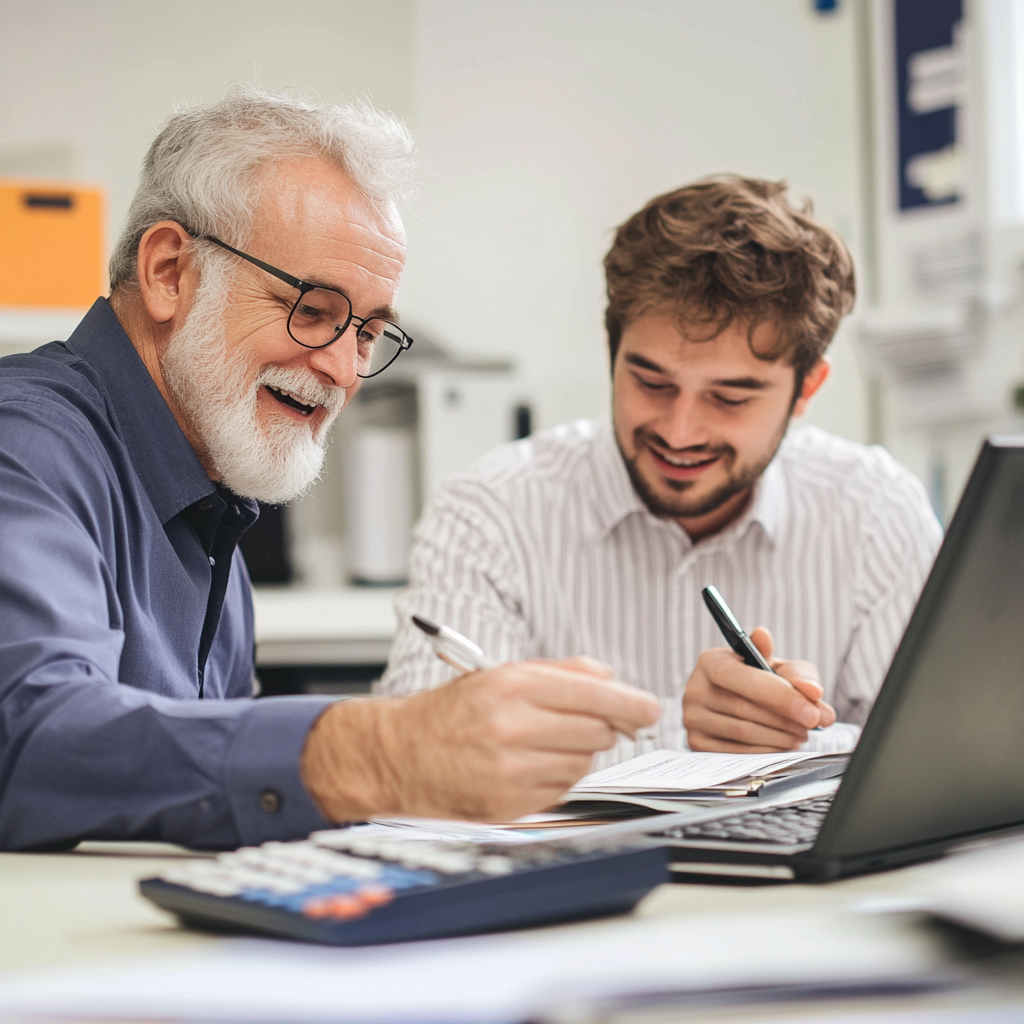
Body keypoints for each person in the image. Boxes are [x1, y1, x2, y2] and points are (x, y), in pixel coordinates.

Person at [0, 87, 660, 851]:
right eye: (312, 309)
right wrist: (377, 752)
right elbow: (29, 735)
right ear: (170, 273)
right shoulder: (28, 443)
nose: (344, 369)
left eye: (370, 332)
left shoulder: (211, 494)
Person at [378, 176, 943, 765]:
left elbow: (937, 754)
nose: (679, 431)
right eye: (652, 383)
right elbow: (423, 759)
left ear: (807, 390)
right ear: (611, 353)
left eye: (730, 398)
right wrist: (685, 734)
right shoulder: (491, 510)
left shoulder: (877, 512)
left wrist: (797, 730)